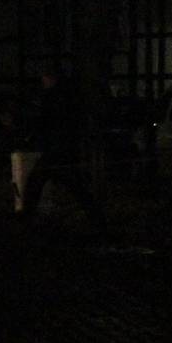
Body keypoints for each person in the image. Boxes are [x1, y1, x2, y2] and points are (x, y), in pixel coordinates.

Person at [19, 68, 104, 225]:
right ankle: (95, 215)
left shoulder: (53, 98)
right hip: (64, 148)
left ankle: (27, 216)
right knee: (73, 185)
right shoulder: (67, 97)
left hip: (56, 149)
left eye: (44, 79)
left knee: (37, 181)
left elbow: (47, 122)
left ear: (50, 79)